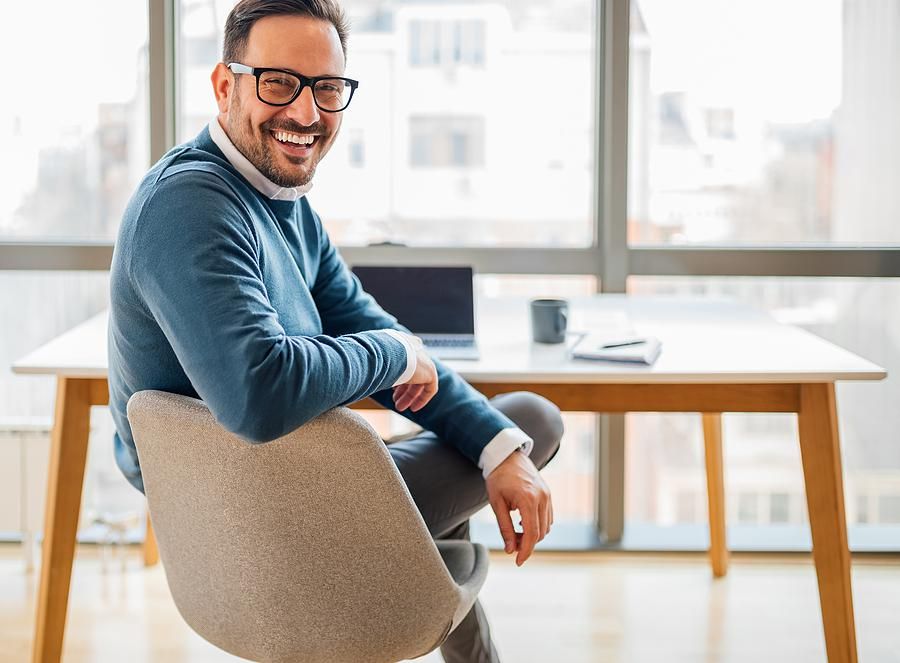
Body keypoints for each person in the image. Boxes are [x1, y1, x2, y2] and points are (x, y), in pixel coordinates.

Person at [107, 1, 563, 660]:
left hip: (302, 484)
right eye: (277, 82)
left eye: (326, 89)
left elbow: (367, 324)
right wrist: (393, 354)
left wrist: (492, 443)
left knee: (509, 432)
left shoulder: (282, 202)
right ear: (223, 85)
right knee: (532, 420)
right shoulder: (189, 207)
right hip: (247, 522)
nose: (306, 113)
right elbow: (259, 395)